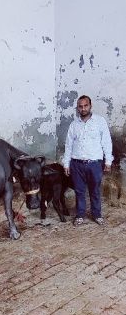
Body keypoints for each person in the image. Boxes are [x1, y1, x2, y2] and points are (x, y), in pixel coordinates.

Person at [63, 95, 113, 226]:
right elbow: (68, 145)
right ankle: (80, 215)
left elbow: (106, 141)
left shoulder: (100, 122)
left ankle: (97, 215)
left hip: (94, 164)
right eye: (80, 106)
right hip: (77, 164)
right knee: (79, 191)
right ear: (77, 108)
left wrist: (108, 161)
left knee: (95, 190)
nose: (83, 108)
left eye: (86, 106)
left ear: (90, 106)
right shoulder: (74, 125)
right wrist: (66, 163)